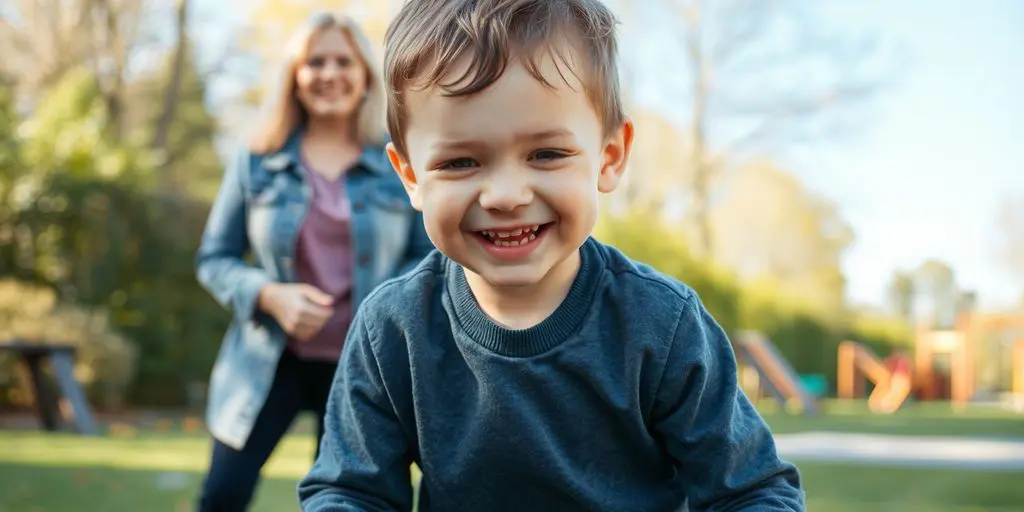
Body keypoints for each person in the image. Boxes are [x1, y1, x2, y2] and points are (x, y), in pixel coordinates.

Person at [298, 0, 805, 510]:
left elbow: (753, 490)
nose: (506, 194)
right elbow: (349, 490)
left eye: (546, 154)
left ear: (609, 157)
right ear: (410, 175)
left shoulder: (662, 324)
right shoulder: (393, 329)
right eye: (459, 161)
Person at [193, 12, 432, 512]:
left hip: (363, 362)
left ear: (365, 73)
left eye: (343, 61)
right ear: (295, 78)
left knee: (351, 500)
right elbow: (214, 257)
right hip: (267, 360)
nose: (329, 73)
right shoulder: (257, 158)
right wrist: (268, 294)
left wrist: (380, 304)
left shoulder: (396, 162)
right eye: (314, 61)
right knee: (222, 495)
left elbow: (426, 255)